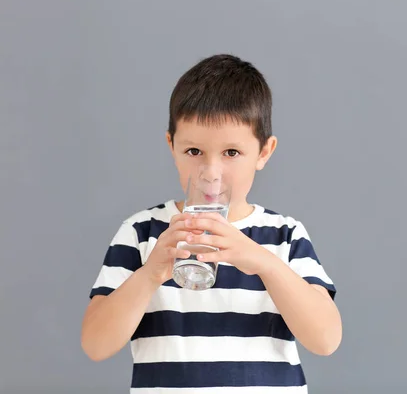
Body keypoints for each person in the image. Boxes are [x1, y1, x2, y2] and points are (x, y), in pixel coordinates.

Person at [81, 54, 342, 393]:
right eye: (194, 151)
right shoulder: (142, 232)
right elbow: (95, 344)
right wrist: (151, 273)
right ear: (171, 146)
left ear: (264, 153)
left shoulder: (284, 236)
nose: (211, 172)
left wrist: (262, 261)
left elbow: (325, 340)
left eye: (231, 152)